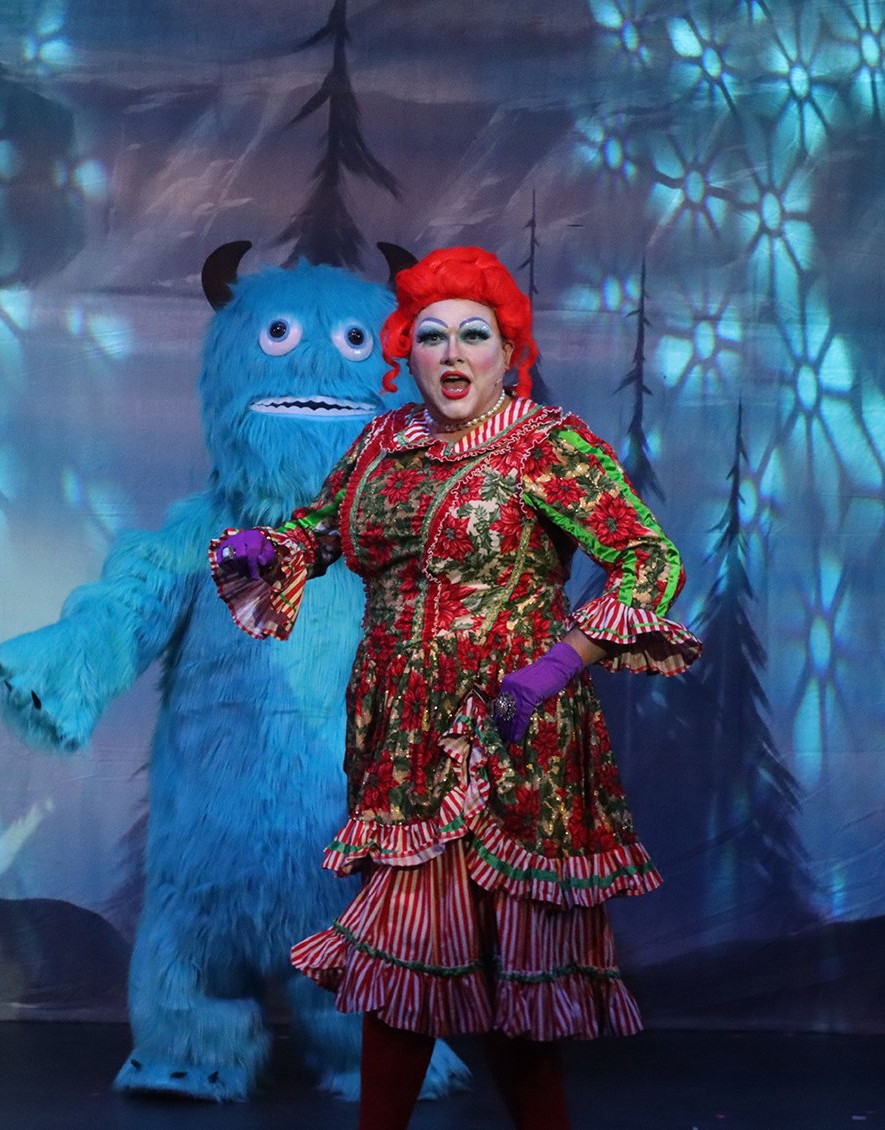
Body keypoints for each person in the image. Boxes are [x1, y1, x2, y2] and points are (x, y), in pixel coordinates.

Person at [209, 246, 700, 1130]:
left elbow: (648, 560)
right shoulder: (383, 444)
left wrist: (553, 668)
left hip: (513, 742)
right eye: (431, 336)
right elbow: (320, 532)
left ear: (509, 351)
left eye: (474, 335)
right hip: (401, 741)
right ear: (409, 352)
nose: (452, 353)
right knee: (406, 971)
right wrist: (271, 552)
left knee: (512, 989)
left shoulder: (547, 446)